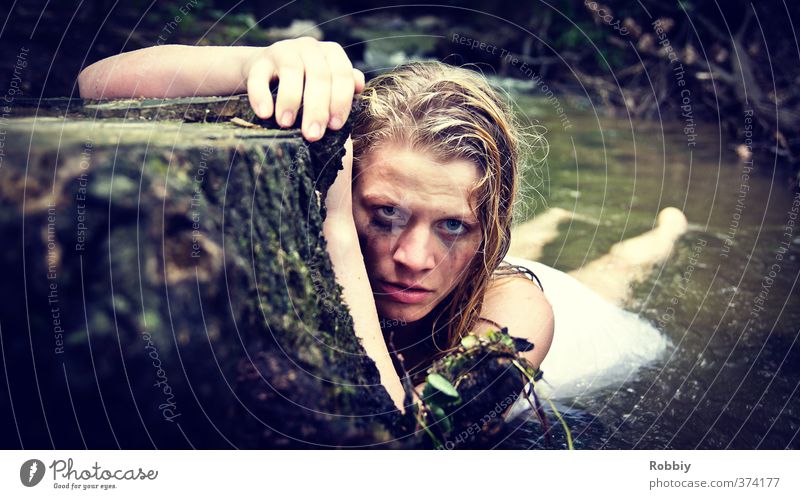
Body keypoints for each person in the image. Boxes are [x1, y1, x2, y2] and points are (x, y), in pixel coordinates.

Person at [78, 37, 686, 413]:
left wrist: (344, 232)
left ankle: (667, 232)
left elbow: (404, 450)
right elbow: (93, 86)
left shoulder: (521, 318)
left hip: (589, 330)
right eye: (386, 214)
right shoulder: (433, 259)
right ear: (350, 179)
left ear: (487, 232)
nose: (414, 257)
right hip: (473, 279)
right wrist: (259, 64)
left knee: (618, 273)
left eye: (455, 225)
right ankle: (549, 225)